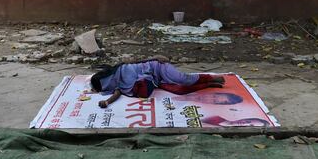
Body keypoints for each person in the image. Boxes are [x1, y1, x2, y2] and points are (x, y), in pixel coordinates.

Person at [90, 55, 225, 108]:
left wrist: (155, 57)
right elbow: (117, 94)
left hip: (158, 68)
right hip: (156, 81)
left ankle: (210, 77)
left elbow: (139, 62)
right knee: (180, 90)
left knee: (182, 79)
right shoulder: (117, 84)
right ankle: (208, 84)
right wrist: (107, 102)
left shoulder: (122, 69)